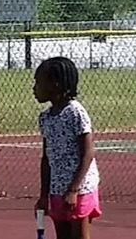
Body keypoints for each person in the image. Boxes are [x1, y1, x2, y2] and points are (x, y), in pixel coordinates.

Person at [32, 57, 102, 239]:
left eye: (39, 82)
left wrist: (73, 190)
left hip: (79, 188)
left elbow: (88, 153)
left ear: (55, 85)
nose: (34, 88)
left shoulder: (75, 112)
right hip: (57, 188)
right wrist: (43, 196)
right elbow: (46, 158)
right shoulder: (45, 117)